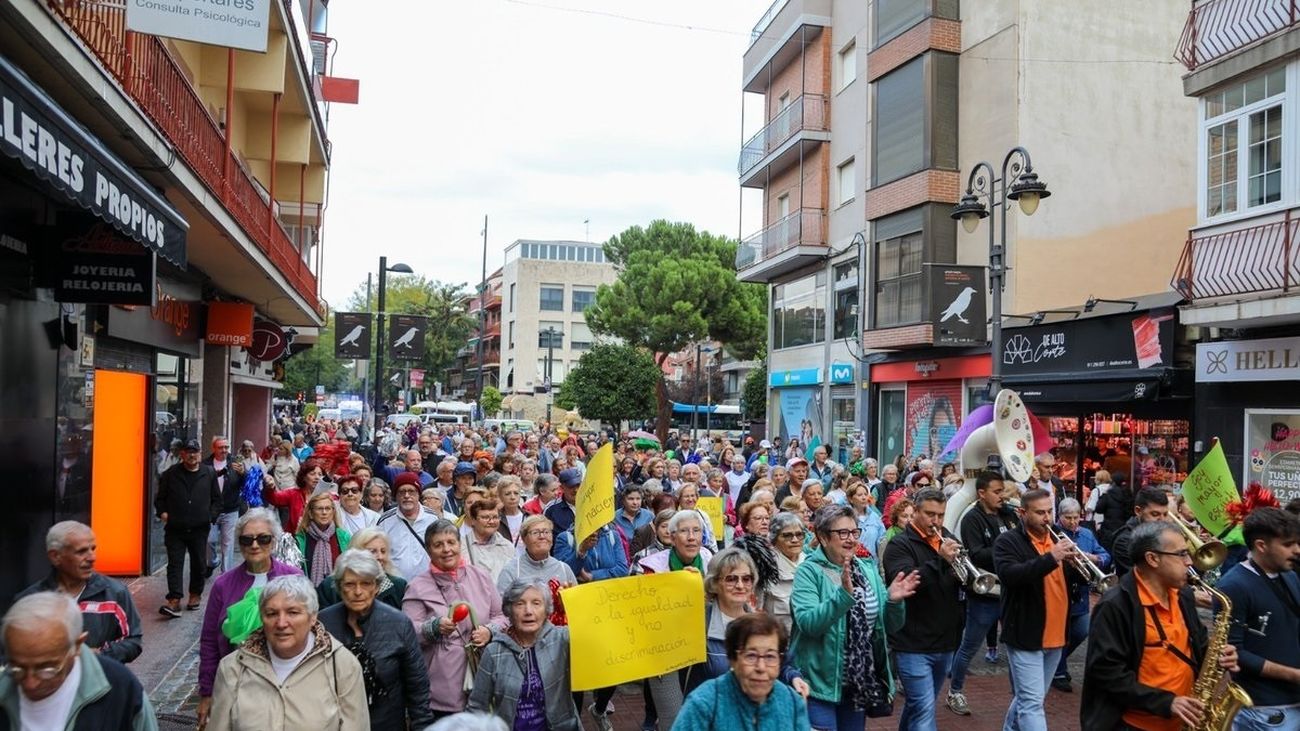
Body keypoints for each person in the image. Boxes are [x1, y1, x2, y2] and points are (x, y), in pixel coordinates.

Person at [1082, 521, 1241, 729]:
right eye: (1182, 554)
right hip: (1135, 724)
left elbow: (1198, 645)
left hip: (1182, 721)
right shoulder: (1116, 605)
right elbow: (1107, 673)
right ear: (1153, 558)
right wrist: (1168, 702)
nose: (1189, 562)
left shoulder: (1182, 595)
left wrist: (1217, 655)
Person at [793, 505, 918, 730]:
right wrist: (843, 596)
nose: (851, 539)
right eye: (843, 533)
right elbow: (808, 623)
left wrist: (894, 602)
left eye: (854, 532)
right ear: (822, 536)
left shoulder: (866, 569)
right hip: (818, 686)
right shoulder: (808, 571)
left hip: (857, 683)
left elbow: (889, 627)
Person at [208, 575, 369, 730]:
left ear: (313, 617)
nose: (281, 623)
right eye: (272, 614)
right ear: (262, 618)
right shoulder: (233, 667)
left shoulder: (341, 665)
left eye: (293, 612)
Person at [195, 508, 303, 727]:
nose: (255, 545)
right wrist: (207, 692)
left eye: (263, 539)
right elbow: (209, 641)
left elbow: (308, 632)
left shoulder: (293, 578)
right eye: (247, 540)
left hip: (286, 685)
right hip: (237, 685)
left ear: (273, 541)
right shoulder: (223, 585)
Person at [993, 488, 1086, 731]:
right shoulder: (1008, 541)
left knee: (1029, 698)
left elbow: (1069, 582)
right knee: (1032, 704)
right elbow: (1010, 575)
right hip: (1026, 633)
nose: (1047, 518)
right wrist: (1051, 558)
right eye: (1040, 513)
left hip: (1056, 634)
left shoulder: (1057, 539)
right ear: (1023, 513)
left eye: (1049, 511)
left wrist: (1079, 565)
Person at [0, 592, 157, 730]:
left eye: (47, 669)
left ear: (77, 646)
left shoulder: (122, 692)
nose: (30, 683)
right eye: (17, 668)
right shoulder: (3, 687)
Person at [403, 519, 508, 719]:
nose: (446, 549)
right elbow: (408, 632)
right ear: (428, 550)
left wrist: (489, 631)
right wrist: (433, 628)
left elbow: (502, 615)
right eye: (438, 544)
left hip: (484, 675)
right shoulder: (417, 586)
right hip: (443, 685)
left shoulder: (480, 576)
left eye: (451, 542)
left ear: (460, 544)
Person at [319, 550, 434, 731]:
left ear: (377, 587)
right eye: (350, 584)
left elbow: (417, 685)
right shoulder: (323, 624)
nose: (358, 592)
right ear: (340, 587)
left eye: (366, 583)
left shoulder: (398, 623)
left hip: (387, 723)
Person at [882, 488, 965, 729]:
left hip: (945, 640)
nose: (936, 521)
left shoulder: (947, 538)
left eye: (940, 515)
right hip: (912, 643)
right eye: (930, 514)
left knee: (919, 706)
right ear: (915, 511)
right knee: (924, 708)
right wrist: (940, 560)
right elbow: (909, 581)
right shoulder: (899, 545)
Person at [1214, 507, 1300, 730]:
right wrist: (1294, 675)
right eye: (1288, 544)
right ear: (1261, 545)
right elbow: (1234, 652)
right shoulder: (1233, 586)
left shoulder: (1289, 575)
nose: (1297, 550)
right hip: (1265, 709)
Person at [683, 548, 809, 697]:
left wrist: (793, 677)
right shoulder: (698, 621)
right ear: (714, 584)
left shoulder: (761, 622)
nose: (740, 586)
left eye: (746, 579)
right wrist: (683, 588)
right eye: (731, 579)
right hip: (707, 713)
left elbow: (781, 662)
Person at [15, 521, 143, 664]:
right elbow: (13, 651)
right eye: (81, 551)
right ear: (55, 556)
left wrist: (98, 656)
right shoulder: (30, 601)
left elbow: (133, 640)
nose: (92, 558)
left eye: (93, 549)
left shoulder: (114, 592)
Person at [946, 471, 1019, 714]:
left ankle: (1018, 696)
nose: (1002, 496)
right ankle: (955, 691)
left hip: (1011, 589)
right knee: (969, 645)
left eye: (1003, 491)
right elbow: (976, 553)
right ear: (981, 493)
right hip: (986, 593)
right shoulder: (972, 519)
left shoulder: (1009, 514)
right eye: (997, 492)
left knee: (1016, 646)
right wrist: (1008, 547)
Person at [468, 580, 581, 729]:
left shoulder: (562, 640)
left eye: (536, 603)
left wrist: (575, 606)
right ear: (509, 610)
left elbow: (595, 636)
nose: (528, 611)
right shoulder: (494, 652)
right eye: (519, 604)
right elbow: (477, 707)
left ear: (547, 609)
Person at [672, 614, 812, 731]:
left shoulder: (791, 703)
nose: (761, 667)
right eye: (751, 656)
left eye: (770, 657)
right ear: (733, 659)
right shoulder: (704, 704)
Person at [155, 438, 221, 617]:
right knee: (175, 564)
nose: (192, 455)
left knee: (199, 562)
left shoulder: (209, 473)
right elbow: (160, 498)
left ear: (200, 454)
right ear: (182, 454)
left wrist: (210, 517)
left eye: (195, 452)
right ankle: (174, 600)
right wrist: (162, 513)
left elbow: (216, 499)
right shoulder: (171, 474)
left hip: (199, 528)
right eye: (188, 452)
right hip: (175, 528)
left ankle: (195, 595)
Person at [1051, 497, 1110, 692]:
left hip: (1081, 591)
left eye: (1076, 517)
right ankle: (1059, 672)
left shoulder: (1086, 533)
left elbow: (1105, 555)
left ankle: (1055, 664)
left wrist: (1094, 558)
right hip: (1062, 588)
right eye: (1068, 518)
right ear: (1060, 516)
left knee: (1081, 630)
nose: (1073, 522)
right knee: (1062, 634)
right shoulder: (1054, 534)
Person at [317, 527, 409, 610]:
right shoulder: (329, 587)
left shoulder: (399, 586)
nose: (380, 556)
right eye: (372, 551)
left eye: (383, 551)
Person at [377, 472, 440, 580]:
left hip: (428, 583)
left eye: (411, 491)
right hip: (396, 586)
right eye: (402, 492)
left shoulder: (433, 518)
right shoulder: (385, 521)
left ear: (418, 494)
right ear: (396, 496)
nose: (407, 496)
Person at [495, 515, 578, 596]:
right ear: (524, 539)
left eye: (546, 532)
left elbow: (577, 603)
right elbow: (502, 606)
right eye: (535, 533)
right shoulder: (511, 570)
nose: (542, 536)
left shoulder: (564, 569)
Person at [1111, 487, 1172, 577]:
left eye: (1165, 514)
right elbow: (1146, 577)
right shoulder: (1124, 541)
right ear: (1138, 511)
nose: (1162, 520)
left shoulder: (1161, 535)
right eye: (1155, 514)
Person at [296, 492, 352, 586]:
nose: (324, 512)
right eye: (319, 509)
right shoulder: (300, 540)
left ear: (333, 512)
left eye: (328, 508)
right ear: (310, 513)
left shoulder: (344, 537)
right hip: (309, 594)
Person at [262, 460, 324, 541]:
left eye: (320, 474)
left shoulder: (324, 496)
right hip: (295, 541)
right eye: (312, 474)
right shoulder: (293, 494)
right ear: (304, 477)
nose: (317, 477)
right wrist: (270, 487)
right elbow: (274, 498)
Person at [461, 498, 516, 583]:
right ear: (473, 520)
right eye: (485, 517)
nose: (491, 521)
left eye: (495, 517)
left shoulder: (507, 547)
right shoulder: (461, 547)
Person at [844, 481, 884, 558]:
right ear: (850, 499)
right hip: (851, 562)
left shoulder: (874, 517)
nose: (864, 497)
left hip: (872, 564)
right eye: (859, 495)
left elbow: (882, 541)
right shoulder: (845, 517)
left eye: (865, 494)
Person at [544, 468, 582, 535]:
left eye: (578, 485)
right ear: (562, 488)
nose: (576, 490)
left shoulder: (591, 503)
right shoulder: (551, 509)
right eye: (571, 486)